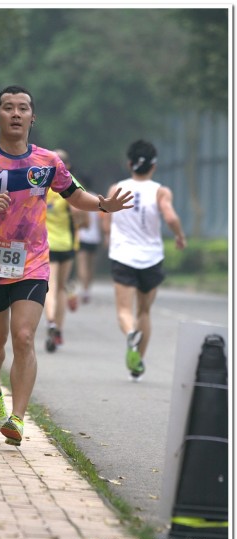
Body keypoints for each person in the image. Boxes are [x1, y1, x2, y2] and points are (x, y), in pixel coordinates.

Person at [0, 85, 133, 446]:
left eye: (23, 108)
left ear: (33, 117)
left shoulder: (47, 161)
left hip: (32, 262)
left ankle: (17, 418)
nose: (16, 114)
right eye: (8, 108)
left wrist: (103, 205)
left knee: (24, 336)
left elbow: (75, 195)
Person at [103, 139, 187, 382]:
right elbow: (170, 217)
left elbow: (105, 218)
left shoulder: (116, 189)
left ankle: (130, 333)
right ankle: (137, 364)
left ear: (129, 164)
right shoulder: (161, 191)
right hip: (151, 258)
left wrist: (109, 237)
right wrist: (179, 236)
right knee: (145, 311)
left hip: (123, 255)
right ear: (154, 166)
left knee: (124, 310)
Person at [44, 148, 89, 352]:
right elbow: (82, 217)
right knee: (61, 288)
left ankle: (51, 322)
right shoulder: (71, 187)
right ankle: (59, 330)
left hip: (45, 244)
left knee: (50, 286)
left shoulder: (42, 186)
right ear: (67, 166)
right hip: (67, 245)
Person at [76, 205, 104, 304]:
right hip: (94, 237)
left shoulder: (80, 200)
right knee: (91, 265)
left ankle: (84, 288)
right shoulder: (98, 201)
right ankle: (87, 289)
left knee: (82, 264)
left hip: (82, 236)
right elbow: (101, 221)